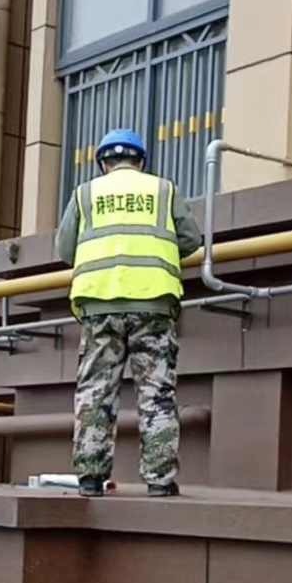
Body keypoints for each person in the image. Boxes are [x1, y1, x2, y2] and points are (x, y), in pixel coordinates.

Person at [54, 128, 203, 498]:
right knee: (157, 392)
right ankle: (160, 481)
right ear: (141, 161)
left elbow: (64, 249)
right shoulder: (164, 190)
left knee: (95, 391)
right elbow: (191, 239)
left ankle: (90, 480)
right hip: (153, 304)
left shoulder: (85, 194)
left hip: (99, 305)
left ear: (103, 162)